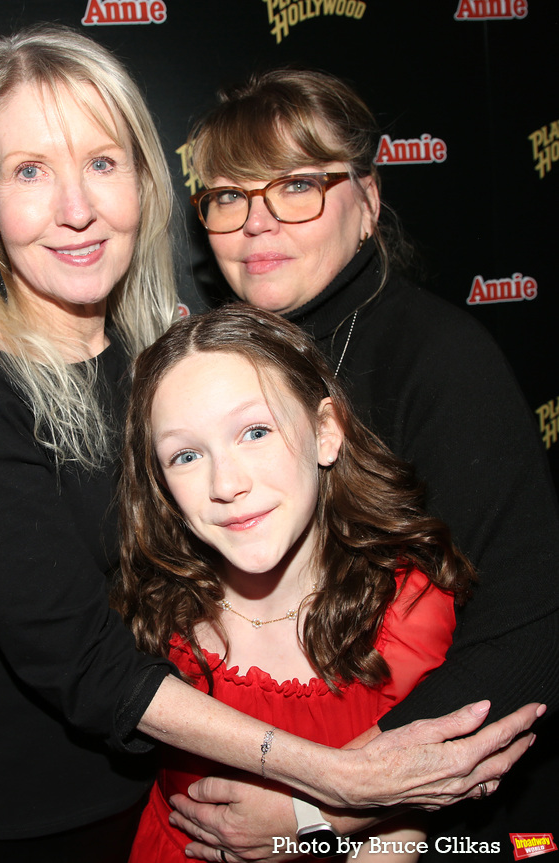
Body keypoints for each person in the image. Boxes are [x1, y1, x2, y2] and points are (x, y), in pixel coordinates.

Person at [0, 36, 544, 861]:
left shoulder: (183, 347)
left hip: (220, 786)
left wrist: (331, 809)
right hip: (49, 812)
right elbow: (76, 642)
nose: (75, 207)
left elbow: (524, 616)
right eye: (28, 171)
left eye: (101, 162)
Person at [160, 69, 559, 860]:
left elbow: (530, 633)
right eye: (230, 196)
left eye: (298, 185)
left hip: (454, 824)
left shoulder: (440, 361)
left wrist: (323, 804)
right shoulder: (209, 365)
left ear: (369, 202)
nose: (256, 222)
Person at [115, 303, 476, 863]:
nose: (226, 483)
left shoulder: (410, 614)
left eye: (255, 431)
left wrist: (312, 828)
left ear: (326, 432)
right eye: (185, 455)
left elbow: (412, 810)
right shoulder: (153, 611)